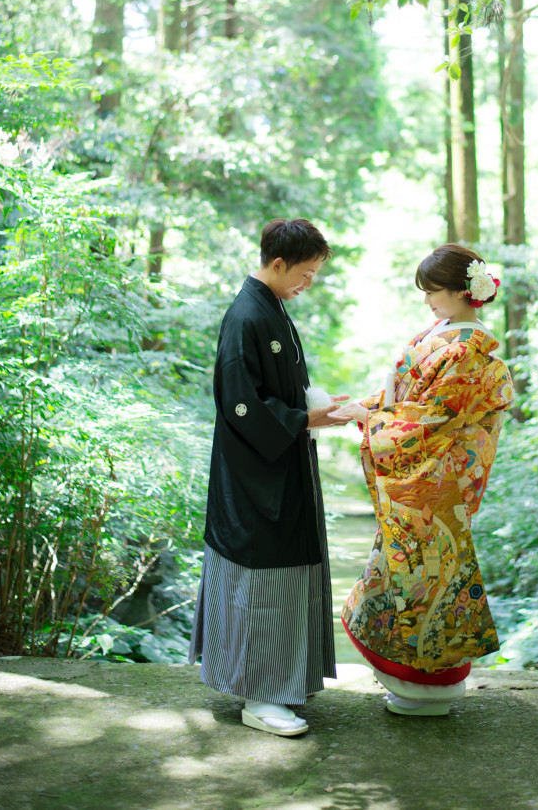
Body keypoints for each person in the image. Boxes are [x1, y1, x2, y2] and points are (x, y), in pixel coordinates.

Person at [189, 218, 351, 738]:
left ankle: (281, 684)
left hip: (280, 467)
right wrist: (306, 418)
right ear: (277, 265)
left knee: (285, 578)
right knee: (261, 580)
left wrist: (315, 407)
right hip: (254, 478)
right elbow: (240, 405)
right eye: (305, 274)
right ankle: (259, 697)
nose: (309, 284)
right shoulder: (246, 316)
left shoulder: (272, 307)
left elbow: (276, 388)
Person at [341, 243, 514, 716]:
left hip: (436, 481)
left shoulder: (468, 350)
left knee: (428, 579)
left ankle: (430, 686)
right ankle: (418, 684)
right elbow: (408, 398)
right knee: (406, 575)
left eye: (434, 291)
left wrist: (373, 420)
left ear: (463, 292)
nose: (427, 300)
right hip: (421, 478)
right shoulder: (444, 334)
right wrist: (371, 407)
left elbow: (432, 420)